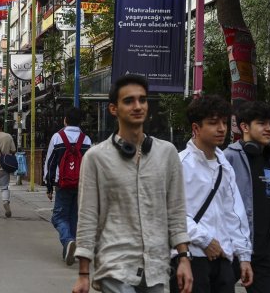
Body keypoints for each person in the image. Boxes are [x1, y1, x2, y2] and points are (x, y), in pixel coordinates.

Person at [72, 74, 192, 293]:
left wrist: (184, 258)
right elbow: (88, 216)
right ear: (113, 109)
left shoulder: (167, 154)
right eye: (129, 101)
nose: (138, 106)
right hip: (115, 267)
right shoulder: (96, 158)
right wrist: (83, 273)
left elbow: (176, 211)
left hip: (157, 267)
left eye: (142, 100)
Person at [174, 95, 253, 293]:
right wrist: (205, 239)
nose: (221, 129)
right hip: (190, 258)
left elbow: (234, 213)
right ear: (196, 128)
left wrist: (244, 256)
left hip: (223, 258)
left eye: (224, 123)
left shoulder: (224, 165)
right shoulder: (179, 164)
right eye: (213, 123)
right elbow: (171, 212)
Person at [223, 101, 270, 293]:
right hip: (232, 248)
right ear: (244, 127)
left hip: (263, 250)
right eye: (262, 123)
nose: (268, 128)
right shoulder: (228, 158)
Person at [43, 107, 92, 265]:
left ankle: (68, 240)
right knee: (74, 218)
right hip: (81, 185)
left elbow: (50, 163)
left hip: (62, 184)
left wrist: (49, 186)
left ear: (65, 119)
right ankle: (69, 248)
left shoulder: (57, 137)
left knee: (58, 217)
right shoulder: (86, 140)